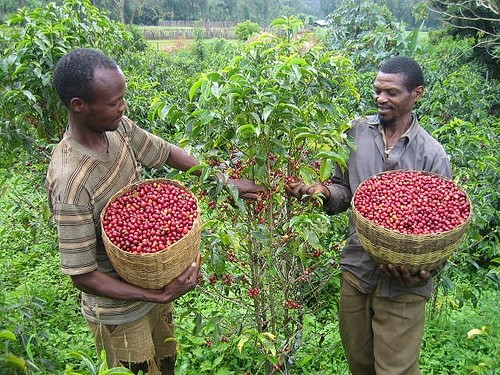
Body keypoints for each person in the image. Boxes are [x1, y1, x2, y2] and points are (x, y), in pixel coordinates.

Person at [45, 48, 263, 375]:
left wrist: (224, 182)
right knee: (136, 368)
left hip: (153, 288)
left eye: (123, 98)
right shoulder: (70, 182)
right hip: (119, 313)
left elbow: (164, 152)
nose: (124, 107)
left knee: (166, 362)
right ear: (79, 106)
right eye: (114, 102)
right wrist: (154, 295)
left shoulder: (115, 128)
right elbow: (83, 275)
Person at [285, 56, 452, 374]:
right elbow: (342, 190)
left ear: (417, 94)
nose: (381, 99)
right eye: (377, 91)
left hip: (403, 284)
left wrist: (426, 270)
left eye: (391, 93)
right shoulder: (356, 132)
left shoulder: (432, 156)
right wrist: (322, 193)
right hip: (357, 271)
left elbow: (442, 225)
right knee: (359, 363)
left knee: (395, 369)